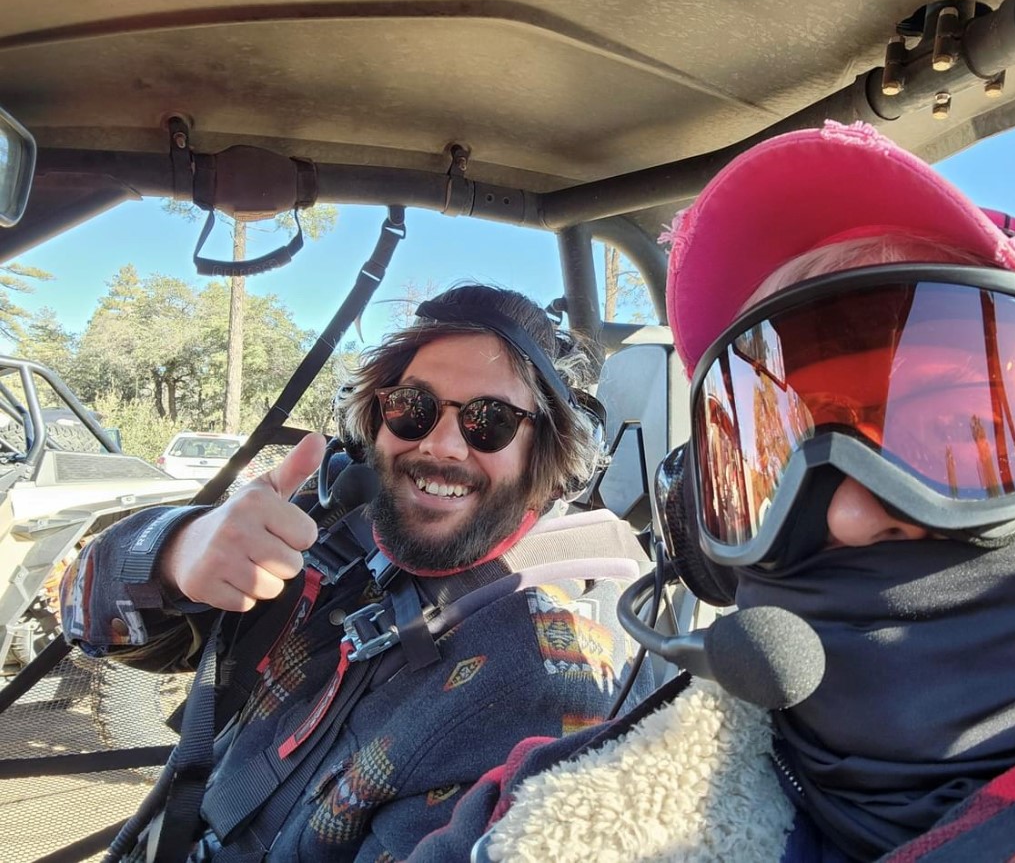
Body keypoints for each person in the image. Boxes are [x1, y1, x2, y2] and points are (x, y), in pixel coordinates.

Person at [403, 121, 1015, 862]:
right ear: (700, 536)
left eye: (958, 427)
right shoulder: (543, 816)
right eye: (770, 457)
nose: (847, 509)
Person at [57, 283, 652, 862]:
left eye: (489, 420)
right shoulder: (326, 521)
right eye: (412, 408)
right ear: (376, 421)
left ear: (546, 453)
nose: (442, 445)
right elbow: (82, 617)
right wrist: (170, 556)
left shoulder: (546, 676)